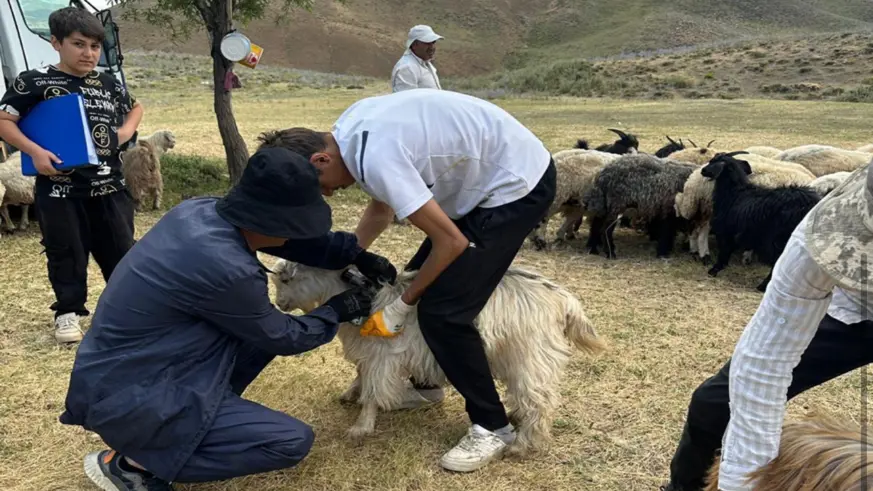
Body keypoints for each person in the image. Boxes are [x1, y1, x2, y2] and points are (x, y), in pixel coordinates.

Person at [59, 146, 397, 490]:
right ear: (275, 222)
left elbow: (290, 245)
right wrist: (336, 310)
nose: (302, 233)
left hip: (122, 370)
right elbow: (285, 337)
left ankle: (195, 420)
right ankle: (136, 464)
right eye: (300, 224)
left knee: (257, 338)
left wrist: (354, 254)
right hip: (132, 394)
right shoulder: (229, 269)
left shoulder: (199, 211)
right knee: (289, 440)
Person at [255, 88, 557, 473]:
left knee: (442, 312)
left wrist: (403, 304)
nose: (328, 193)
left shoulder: (375, 156)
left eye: (320, 186)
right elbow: (380, 211)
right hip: (480, 180)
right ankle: (427, 385)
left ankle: (492, 425)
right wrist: (346, 258)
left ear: (320, 158)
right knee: (412, 280)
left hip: (515, 186)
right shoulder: (349, 130)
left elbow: (451, 243)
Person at [661, 161, 873, 491]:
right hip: (854, 312)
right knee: (714, 405)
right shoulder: (823, 235)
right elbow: (764, 362)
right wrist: (739, 483)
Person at [0, 7, 144, 344]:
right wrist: (35, 152)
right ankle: (68, 313)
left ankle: (128, 312)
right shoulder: (33, 82)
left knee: (122, 251)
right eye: (79, 44)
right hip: (60, 190)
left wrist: (123, 133)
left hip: (110, 187)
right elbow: (4, 121)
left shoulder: (107, 82)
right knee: (66, 251)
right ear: (56, 42)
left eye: (95, 46)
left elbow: (135, 108)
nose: (88, 54)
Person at [391, 25, 444, 92]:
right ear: (414, 45)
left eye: (433, 42)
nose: (432, 47)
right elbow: (407, 100)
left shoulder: (424, 63)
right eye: (427, 43)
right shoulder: (407, 68)